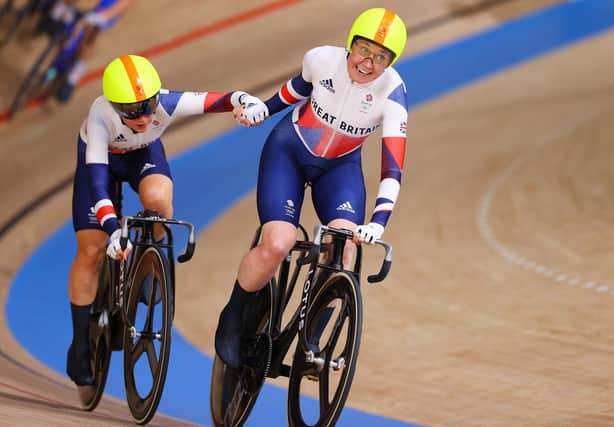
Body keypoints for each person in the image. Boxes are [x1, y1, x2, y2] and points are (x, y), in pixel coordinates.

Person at [214, 7, 408, 368]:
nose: (368, 63)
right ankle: (233, 316)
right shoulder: (321, 59)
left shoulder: (393, 95)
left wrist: (378, 222)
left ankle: (311, 342)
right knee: (278, 243)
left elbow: (392, 168)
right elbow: (296, 89)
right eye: (364, 50)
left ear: (390, 62)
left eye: (380, 57)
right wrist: (263, 110)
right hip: (289, 151)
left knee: (344, 251)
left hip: (340, 169)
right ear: (351, 44)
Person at [66, 53, 265, 397]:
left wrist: (244, 100)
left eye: (149, 107)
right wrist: (113, 228)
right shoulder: (101, 118)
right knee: (92, 248)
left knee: (159, 200)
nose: (144, 117)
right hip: (101, 165)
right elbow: (99, 187)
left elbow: (216, 100)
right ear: (115, 107)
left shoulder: (165, 104)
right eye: (132, 112)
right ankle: (81, 339)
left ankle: (155, 251)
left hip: (142, 156)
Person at [50, 0, 133, 102]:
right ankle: (58, 11)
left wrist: (104, 16)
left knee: (91, 33)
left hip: (107, 7)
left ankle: (74, 74)